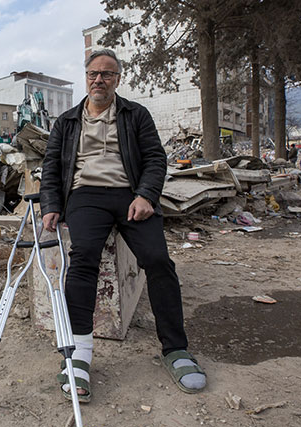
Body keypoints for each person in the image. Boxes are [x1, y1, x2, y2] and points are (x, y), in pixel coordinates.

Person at [40, 49, 206, 400]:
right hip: (85, 196)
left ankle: (175, 350)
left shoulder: (136, 115)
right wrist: (51, 205)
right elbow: (51, 168)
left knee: (158, 261)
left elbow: (156, 159)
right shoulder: (67, 121)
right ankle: (78, 355)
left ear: (117, 79)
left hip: (130, 194)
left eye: (107, 74)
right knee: (83, 258)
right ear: (86, 77)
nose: (99, 79)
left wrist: (146, 195)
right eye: (93, 73)